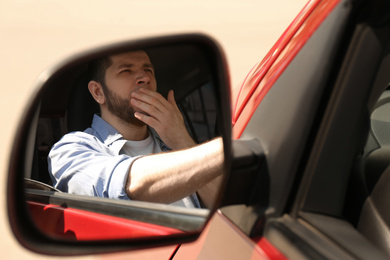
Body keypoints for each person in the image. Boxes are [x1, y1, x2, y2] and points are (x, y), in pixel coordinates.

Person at [48, 50, 224, 208]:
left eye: (148, 70)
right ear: (98, 92)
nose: (144, 78)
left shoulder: (175, 144)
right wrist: (224, 149)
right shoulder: (70, 150)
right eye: (126, 70)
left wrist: (180, 138)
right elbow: (126, 186)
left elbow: (224, 209)